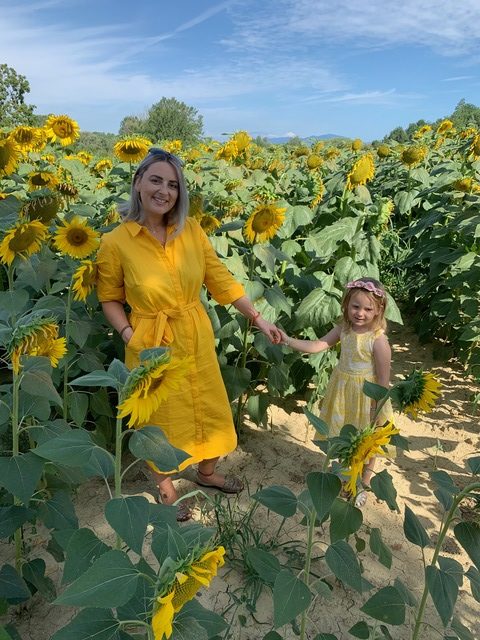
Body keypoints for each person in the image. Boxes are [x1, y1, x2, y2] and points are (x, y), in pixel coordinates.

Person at [96, 148, 282, 520]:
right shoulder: (115, 242)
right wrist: (131, 334)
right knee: (159, 419)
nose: (164, 191)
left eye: (173, 184)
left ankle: (206, 473)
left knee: (208, 405)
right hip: (150, 342)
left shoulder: (191, 231)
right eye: (156, 180)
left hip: (195, 334)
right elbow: (110, 298)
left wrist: (257, 318)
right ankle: (166, 489)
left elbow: (221, 280)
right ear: (138, 183)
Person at [280, 277, 394, 508]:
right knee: (345, 435)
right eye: (355, 306)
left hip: (367, 397)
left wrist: (377, 407)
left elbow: (383, 379)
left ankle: (363, 481)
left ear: (378, 310)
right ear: (346, 304)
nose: (360, 313)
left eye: (367, 308)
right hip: (343, 392)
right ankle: (345, 476)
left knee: (367, 441)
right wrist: (288, 340)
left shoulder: (378, 341)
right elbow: (319, 345)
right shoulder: (344, 329)